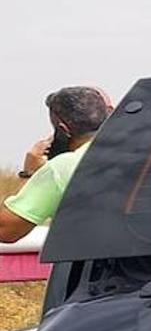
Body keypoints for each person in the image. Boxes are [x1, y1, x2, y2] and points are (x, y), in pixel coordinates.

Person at [0, 86, 111, 243]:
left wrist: (30, 174)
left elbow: (7, 230)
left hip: (95, 264)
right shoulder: (141, 154)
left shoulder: (62, 167)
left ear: (63, 129)